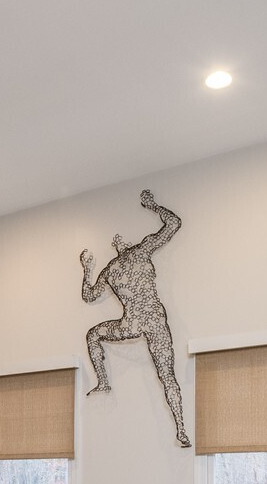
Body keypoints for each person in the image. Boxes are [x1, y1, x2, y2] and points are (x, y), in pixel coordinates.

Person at [79, 189, 191, 447]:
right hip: (152, 319)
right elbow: (173, 223)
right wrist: (153, 205)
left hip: (132, 322)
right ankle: (181, 429)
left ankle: (104, 382)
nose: (120, 242)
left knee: (93, 334)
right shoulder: (140, 252)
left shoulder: (111, 270)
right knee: (167, 376)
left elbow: (88, 295)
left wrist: (87, 269)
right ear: (124, 247)